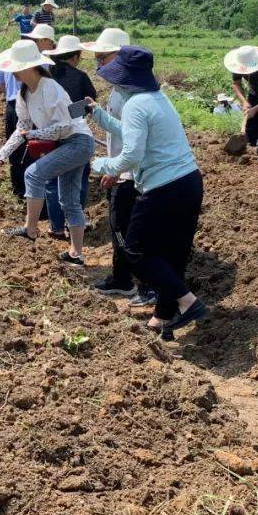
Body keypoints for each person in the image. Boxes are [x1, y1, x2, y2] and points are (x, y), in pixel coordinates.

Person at [87, 47, 208, 339]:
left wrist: (101, 164)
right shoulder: (156, 98)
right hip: (188, 182)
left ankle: (188, 302)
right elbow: (130, 132)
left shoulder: (135, 105)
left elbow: (131, 155)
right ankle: (162, 319)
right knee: (172, 254)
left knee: (136, 250)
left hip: (163, 188)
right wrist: (99, 115)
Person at [0, 40, 94, 266]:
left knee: (33, 174)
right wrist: (3, 152)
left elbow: (66, 126)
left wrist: (37, 134)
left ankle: (30, 229)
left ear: (30, 66)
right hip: (66, 144)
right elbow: (23, 128)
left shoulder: (50, 88)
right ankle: (76, 254)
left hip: (78, 141)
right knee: (68, 199)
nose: (13, 74)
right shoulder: (24, 94)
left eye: (16, 68)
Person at [82, 28, 156, 307]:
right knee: (118, 226)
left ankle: (146, 285)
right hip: (121, 167)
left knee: (132, 231)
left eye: (103, 57)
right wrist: (97, 113)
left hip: (130, 172)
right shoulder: (118, 91)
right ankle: (121, 278)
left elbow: (133, 142)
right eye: (98, 58)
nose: (99, 64)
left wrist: (115, 171)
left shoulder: (133, 96)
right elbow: (119, 130)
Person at [41, 35, 97, 239]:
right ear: (76, 56)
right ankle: (74, 223)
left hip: (50, 133)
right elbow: (90, 104)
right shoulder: (81, 77)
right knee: (79, 178)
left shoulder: (47, 76)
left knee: (51, 178)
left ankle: (55, 226)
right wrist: (72, 115)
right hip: (74, 134)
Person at [0, 67, 27, 198]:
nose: (13, 75)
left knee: (20, 154)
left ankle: (19, 189)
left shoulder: (8, 59)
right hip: (21, 105)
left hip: (11, 105)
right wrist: (3, 152)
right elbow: (22, 131)